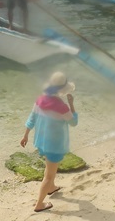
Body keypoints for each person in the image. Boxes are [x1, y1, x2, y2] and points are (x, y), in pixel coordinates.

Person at [20, 72, 78, 212]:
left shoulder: (40, 100)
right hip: (55, 144)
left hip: (41, 141)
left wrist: (25, 136)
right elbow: (73, 122)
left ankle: (51, 188)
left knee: (49, 167)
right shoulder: (61, 106)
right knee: (49, 175)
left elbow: (31, 119)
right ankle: (39, 204)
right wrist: (71, 104)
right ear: (63, 89)